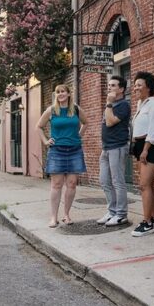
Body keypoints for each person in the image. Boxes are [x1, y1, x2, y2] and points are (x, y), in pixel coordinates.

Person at [36, 84, 88, 228]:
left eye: (63, 91)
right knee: (56, 184)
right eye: (58, 92)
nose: (60, 94)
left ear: (69, 94)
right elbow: (38, 126)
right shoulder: (52, 111)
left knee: (71, 184)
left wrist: (79, 135)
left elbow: (86, 122)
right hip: (57, 151)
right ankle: (53, 217)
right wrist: (46, 141)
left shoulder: (76, 109)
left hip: (74, 150)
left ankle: (66, 215)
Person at [130, 72, 154, 237]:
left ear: (148, 87)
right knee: (149, 184)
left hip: (152, 146)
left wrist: (145, 149)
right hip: (140, 145)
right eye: (135, 84)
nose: (136, 87)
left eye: (139, 84)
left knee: (144, 185)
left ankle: (147, 223)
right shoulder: (141, 104)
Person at [97, 75, 131, 227]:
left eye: (113, 85)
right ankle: (112, 211)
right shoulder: (111, 105)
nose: (109, 87)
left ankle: (121, 214)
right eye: (109, 85)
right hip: (106, 148)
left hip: (117, 146)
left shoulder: (124, 105)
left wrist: (109, 104)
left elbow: (110, 122)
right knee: (104, 181)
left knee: (118, 181)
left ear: (122, 89)